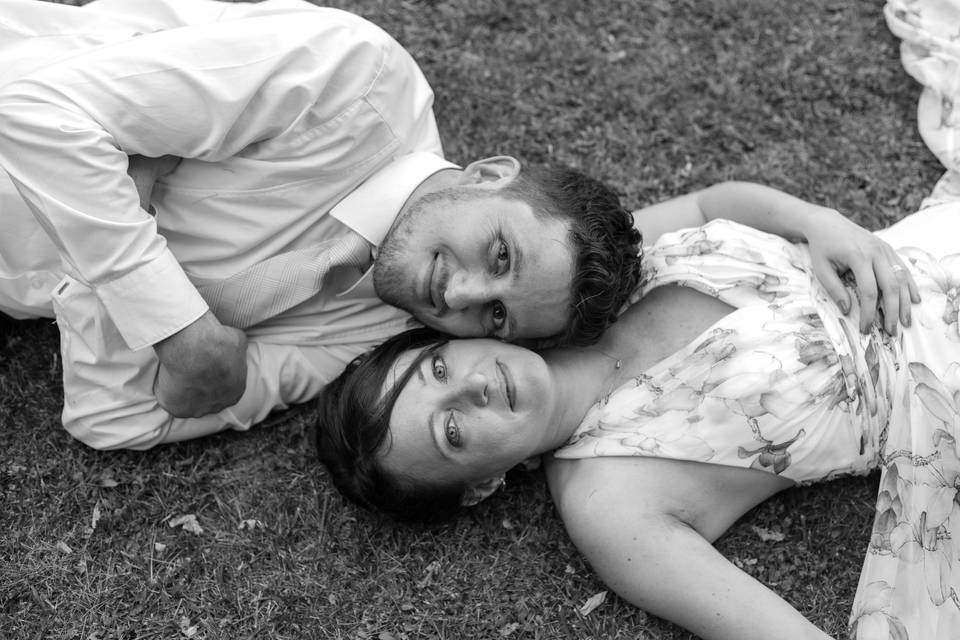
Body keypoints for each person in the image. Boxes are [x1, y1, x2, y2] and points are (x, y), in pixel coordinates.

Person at [0, 0, 910, 451]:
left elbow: (116, 419)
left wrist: (129, 262)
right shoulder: (345, 81)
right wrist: (176, 324)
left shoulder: (374, 334)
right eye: (500, 252)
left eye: (497, 317)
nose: (462, 295)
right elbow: (29, 113)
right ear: (488, 173)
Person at [315, 2, 960, 637]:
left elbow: (712, 204)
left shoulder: (566, 287)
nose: (472, 387)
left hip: (923, 248)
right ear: (482, 486)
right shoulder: (612, 508)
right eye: (452, 429)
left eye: (436, 367)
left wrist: (818, 222)